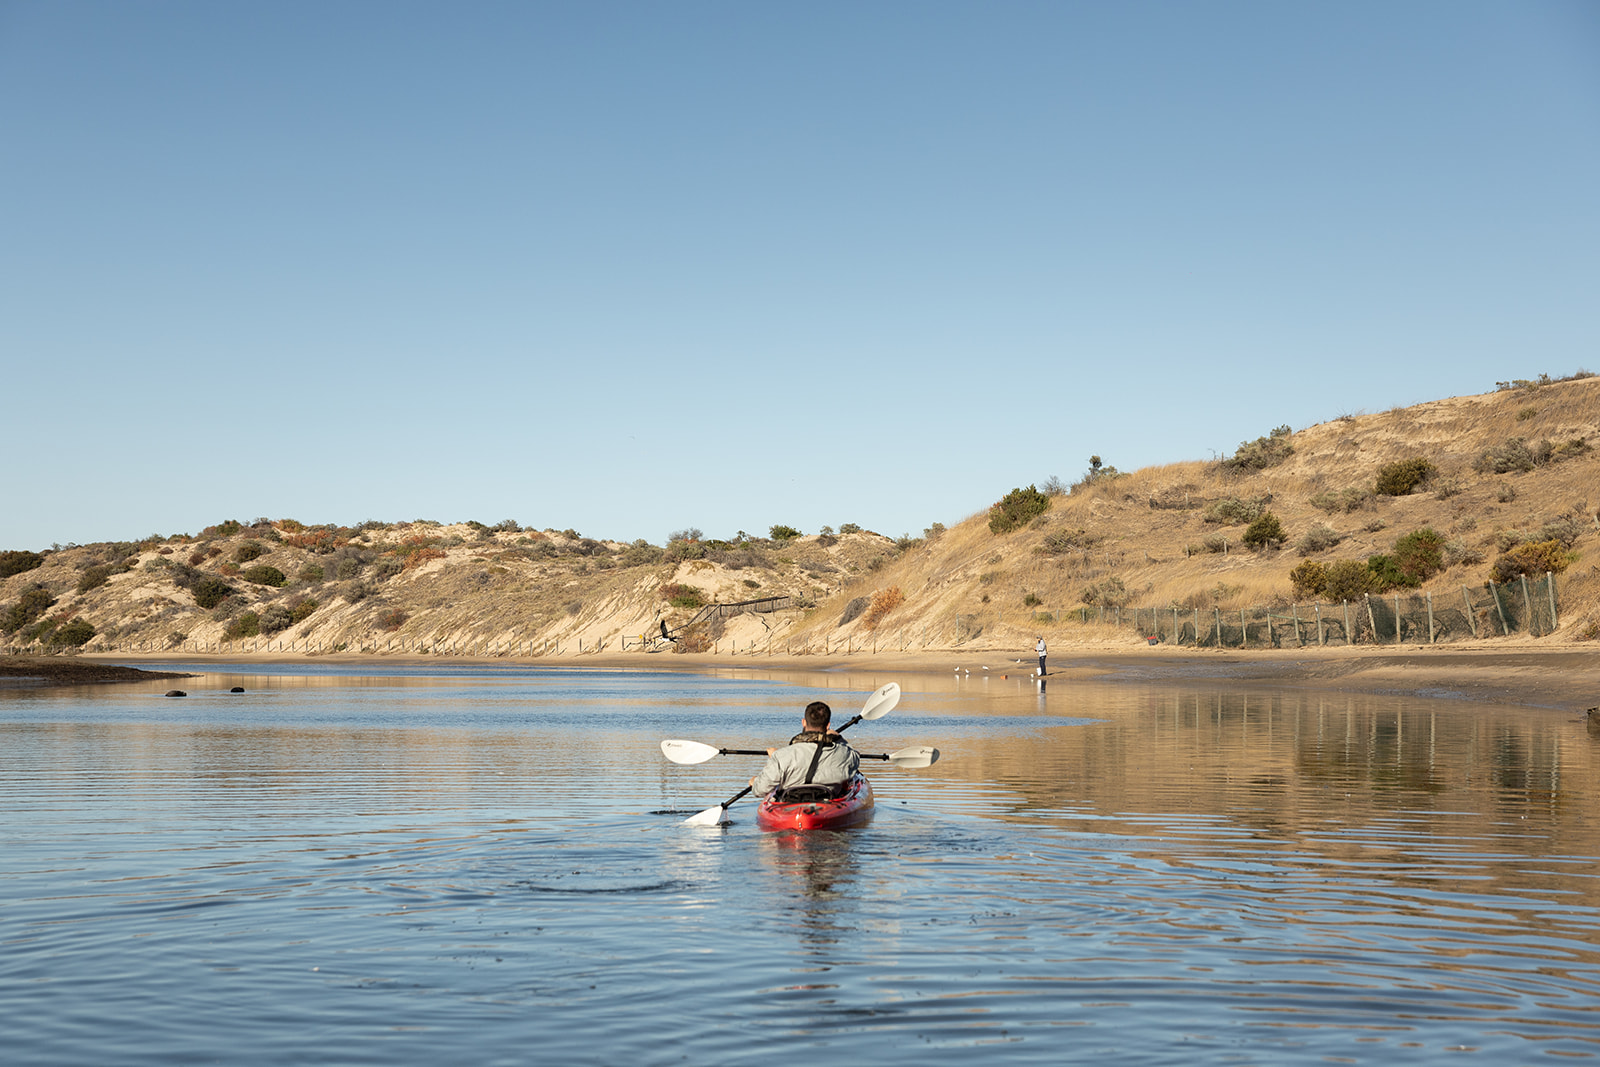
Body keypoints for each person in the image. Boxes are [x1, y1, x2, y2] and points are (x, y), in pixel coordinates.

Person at [749, 700, 860, 799]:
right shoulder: (844, 753)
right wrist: (838, 739)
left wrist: (756, 781)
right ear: (828, 726)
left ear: (804, 722)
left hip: (790, 802)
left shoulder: (782, 756)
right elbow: (855, 758)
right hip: (827, 801)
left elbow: (760, 790)